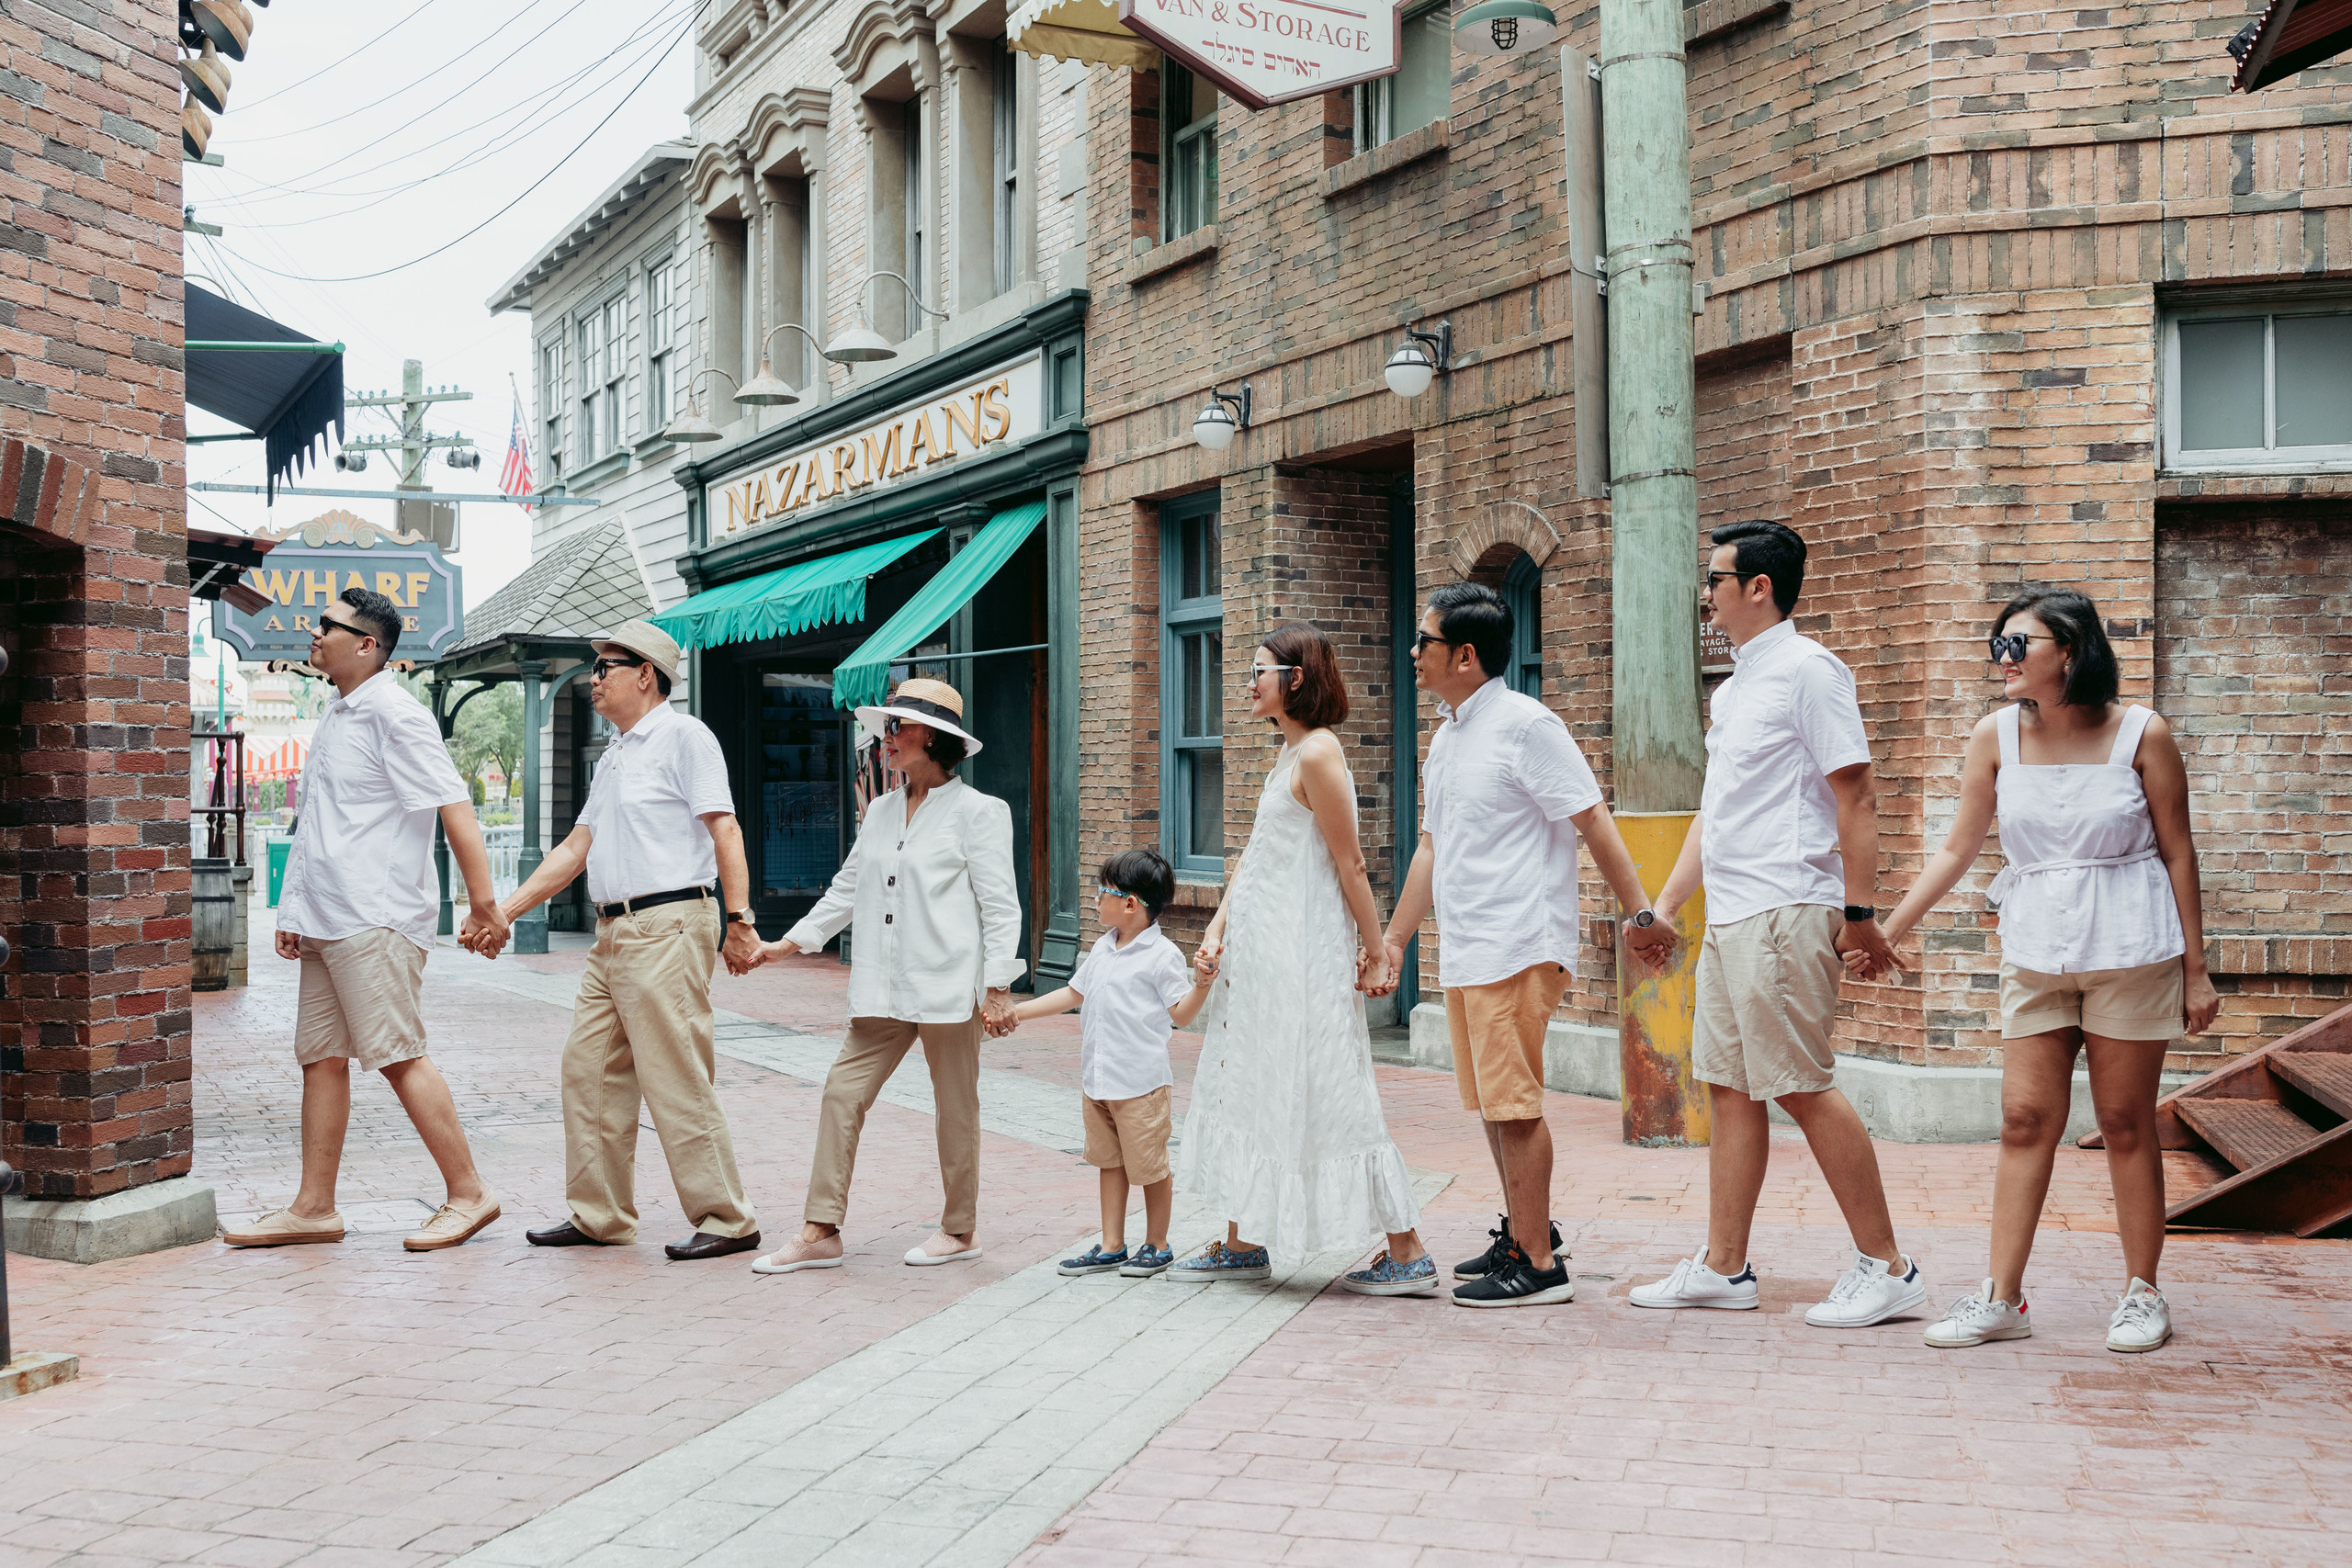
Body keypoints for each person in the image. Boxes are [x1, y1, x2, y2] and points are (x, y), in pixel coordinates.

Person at [1867, 588, 2213, 1354]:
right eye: (2000, 643)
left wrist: (2197, 969)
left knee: (2124, 1123)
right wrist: (1885, 929)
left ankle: (2141, 1291)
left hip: (2130, 946)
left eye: (2020, 644)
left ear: (2073, 650)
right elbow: (1958, 849)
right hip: (2035, 948)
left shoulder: (2141, 735)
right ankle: (2002, 1297)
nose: (2004, 657)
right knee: (2023, 1120)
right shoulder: (1996, 735)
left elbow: (2179, 851)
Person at [1627, 520, 1928, 1327]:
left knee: (1801, 1084)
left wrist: (1858, 912)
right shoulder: (1734, 689)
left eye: (1716, 581)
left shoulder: (1809, 672)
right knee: (1729, 1088)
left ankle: (1890, 1266)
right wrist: (1664, 904)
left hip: (1786, 908)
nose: (1706, 597)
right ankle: (1726, 1267)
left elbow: (1855, 795)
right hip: (1732, 915)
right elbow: (1717, 815)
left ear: (1758, 587)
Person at [1377, 582, 1668, 1308]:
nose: (1414, 652)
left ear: (1466, 655)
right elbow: (1431, 849)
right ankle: (1523, 1231)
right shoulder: (1447, 735)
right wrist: (1393, 939)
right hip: (1471, 944)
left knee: (1515, 1104)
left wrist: (1640, 915)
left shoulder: (1526, 725)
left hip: (1519, 941)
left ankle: (1539, 1264)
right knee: (1492, 1104)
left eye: (1426, 642)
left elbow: (1594, 819)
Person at [224, 587, 508, 1253]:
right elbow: (322, 824)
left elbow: (454, 805)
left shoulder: (395, 714)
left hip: (375, 917)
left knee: (397, 1054)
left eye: (330, 626)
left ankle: (469, 1192)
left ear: (368, 644)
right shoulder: (338, 712)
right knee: (322, 1059)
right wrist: (294, 910)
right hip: (328, 916)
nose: (315, 633)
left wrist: (483, 902)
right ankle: (314, 1207)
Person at [481, 620, 766, 1260]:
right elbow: (576, 848)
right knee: (588, 1071)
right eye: (594, 666)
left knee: (675, 1073)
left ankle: (727, 1216)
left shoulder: (684, 736)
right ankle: (600, 1212)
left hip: (668, 924)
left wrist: (740, 918)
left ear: (646, 674)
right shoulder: (614, 753)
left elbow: (725, 828)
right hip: (612, 933)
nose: (594, 678)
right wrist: (504, 911)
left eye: (606, 665)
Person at [1176, 624, 1436, 1296]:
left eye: (1259, 670)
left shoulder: (1320, 754)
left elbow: (1350, 864)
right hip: (1263, 959)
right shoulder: (1289, 755)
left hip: (1303, 958)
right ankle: (1243, 1240)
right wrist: (1218, 926)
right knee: (1258, 1082)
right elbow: (1258, 859)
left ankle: (1406, 1250)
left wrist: (1378, 953)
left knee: (1331, 1085)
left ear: (1295, 676)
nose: (1249, 682)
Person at [747, 678, 1023, 1274]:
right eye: (887, 728)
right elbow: (848, 886)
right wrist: (789, 943)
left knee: (956, 1109)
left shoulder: (979, 812)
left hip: (949, 986)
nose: (886, 739)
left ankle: (959, 1229)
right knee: (842, 1093)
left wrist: (997, 986)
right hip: (883, 985)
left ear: (935, 738)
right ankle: (820, 1229)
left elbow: (1001, 906)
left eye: (899, 728)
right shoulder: (880, 810)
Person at [1012, 849, 1213, 1280]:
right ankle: (1111, 1245)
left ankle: (1157, 1244)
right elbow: (1072, 994)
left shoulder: (1162, 956)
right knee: (1109, 1162)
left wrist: (1201, 985)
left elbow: (1181, 1014)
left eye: (1102, 891)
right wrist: (1018, 1013)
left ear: (1129, 903)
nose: (1094, 900)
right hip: (1099, 1080)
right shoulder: (1102, 948)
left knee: (1150, 1167)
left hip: (1140, 1084)